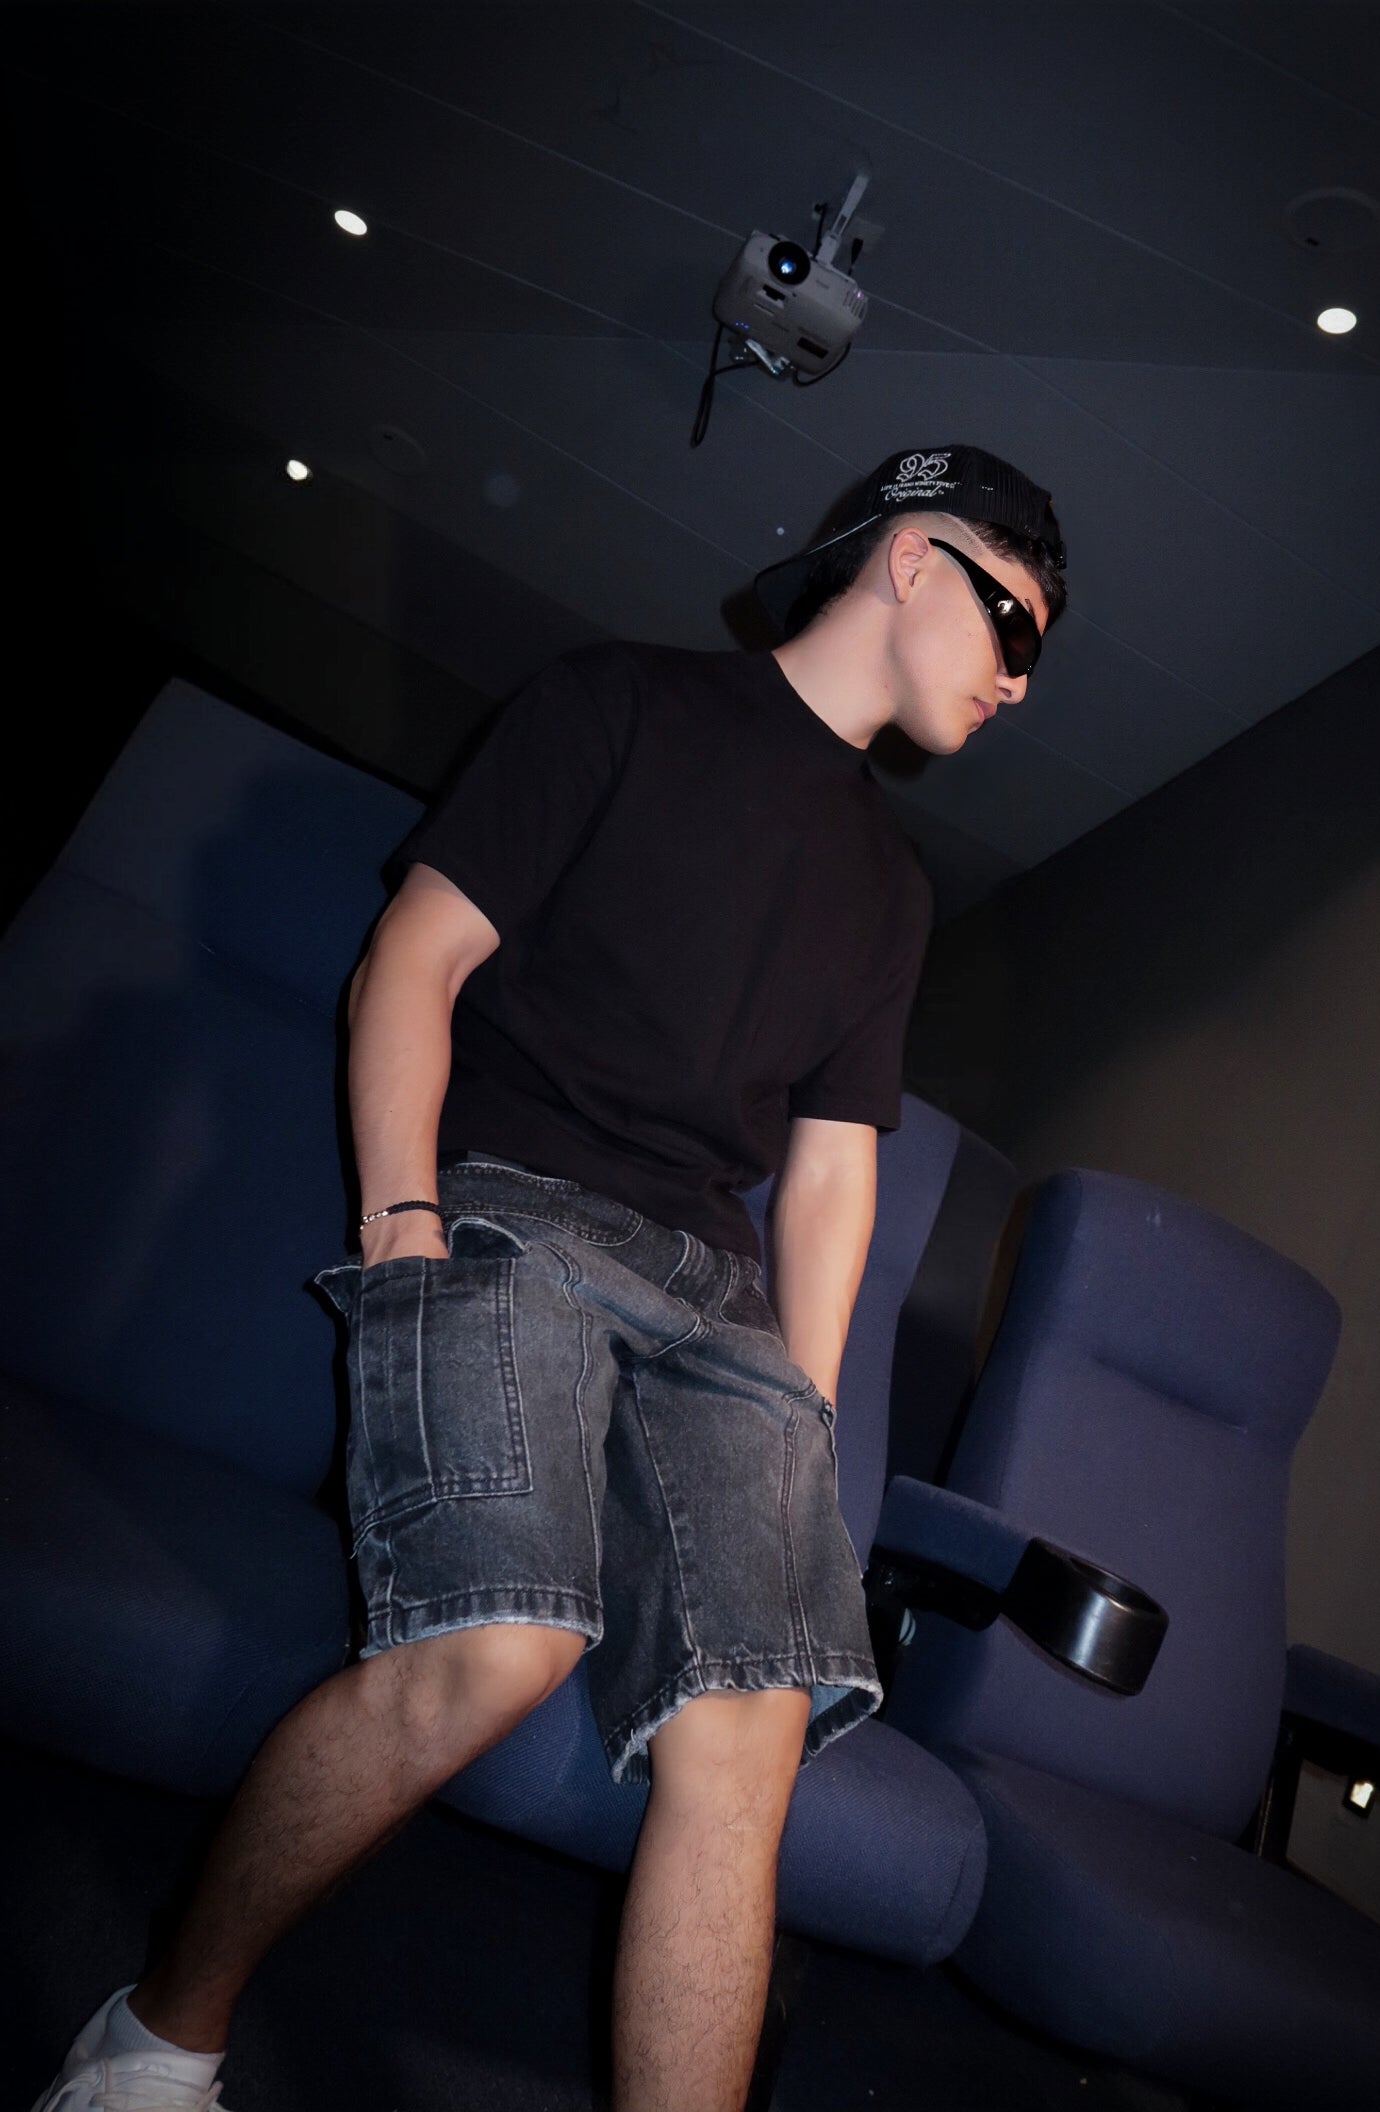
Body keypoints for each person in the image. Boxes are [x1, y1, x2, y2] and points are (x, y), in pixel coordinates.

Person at [33, 443, 1066, 2112]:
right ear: (910, 558)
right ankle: (157, 2037)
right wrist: (402, 1223)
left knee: (752, 1734)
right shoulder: (619, 703)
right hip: (516, 1209)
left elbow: (831, 1171)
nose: (1021, 680)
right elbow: (414, 956)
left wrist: (803, 1409)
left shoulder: (894, 893)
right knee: (505, 1639)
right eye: (1016, 624)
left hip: (717, 1303)